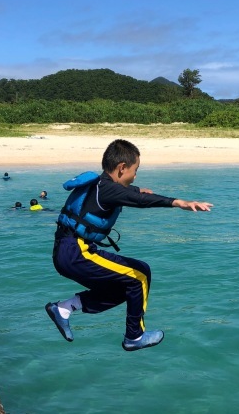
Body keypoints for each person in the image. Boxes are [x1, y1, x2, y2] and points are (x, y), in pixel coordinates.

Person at [46, 138, 213, 352]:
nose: (135, 175)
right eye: (135, 170)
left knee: (126, 289)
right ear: (121, 168)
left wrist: (137, 190)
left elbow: (130, 193)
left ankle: (64, 308)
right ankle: (134, 336)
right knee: (140, 274)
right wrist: (179, 203)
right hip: (76, 252)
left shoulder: (101, 184)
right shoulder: (107, 189)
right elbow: (139, 200)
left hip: (68, 251)